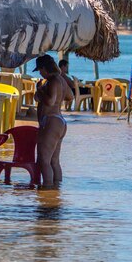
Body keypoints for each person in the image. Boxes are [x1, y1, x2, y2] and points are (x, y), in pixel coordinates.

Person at [31, 54, 73, 189]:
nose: (40, 73)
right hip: (59, 121)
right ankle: (56, 192)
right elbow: (70, 97)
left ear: (44, 68)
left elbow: (50, 101)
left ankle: (47, 192)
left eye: (40, 70)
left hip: (51, 121)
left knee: (44, 161)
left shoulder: (53, 80)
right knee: (54, 161)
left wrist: (39, 90)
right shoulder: (60, 80)